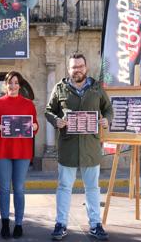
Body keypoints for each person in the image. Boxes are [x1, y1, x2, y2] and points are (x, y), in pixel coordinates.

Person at [45, 53, 113, 241]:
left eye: (80, 66)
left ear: (86, 67)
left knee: (92, 188)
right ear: (69, 69)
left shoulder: (97, 88)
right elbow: (48, 111)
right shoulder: (60, 88)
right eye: (74, 67)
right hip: (68, 147)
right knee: (64, 186)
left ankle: (95, 224)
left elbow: (108, 108)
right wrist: (56, 120)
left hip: (90, 147)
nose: (77, 70)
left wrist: (107, 119)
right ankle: (61, 224)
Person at [0, 71, 39, 239]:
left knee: (19, 189)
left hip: (22, 151)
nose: (13, 85)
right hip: (2, 151)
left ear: (20, 85)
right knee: (4, 189)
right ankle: (4, 224)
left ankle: (18, 224)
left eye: (16, 82)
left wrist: (34, 127)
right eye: (10, 82)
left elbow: (35, 126)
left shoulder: (28, 104)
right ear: (5, 85)